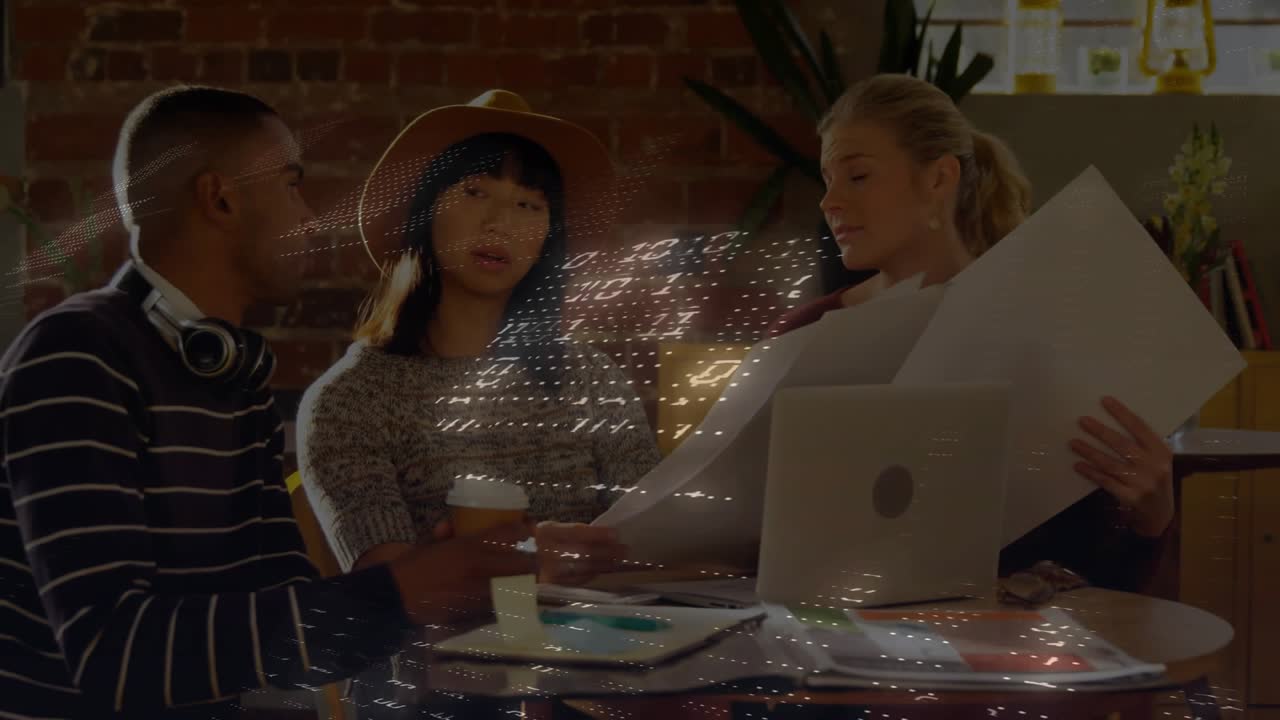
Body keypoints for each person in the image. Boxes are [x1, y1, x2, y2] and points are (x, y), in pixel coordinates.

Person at [0, 86, 535, 720]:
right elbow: (116, 656)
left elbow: (287, 625)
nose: (308, 217)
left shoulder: (229, 372)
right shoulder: (77, 354)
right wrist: (406, 591)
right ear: (220, 197)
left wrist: (427, 574)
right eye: (290, 185)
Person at [770, 74, 1174, 593]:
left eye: (858, 176)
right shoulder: (803, 336)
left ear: (938, 180)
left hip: (1014, 649)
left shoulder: (1050, 335)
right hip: (836, 639)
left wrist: (1152, 519)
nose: (830, 201)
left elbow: (1107, 578)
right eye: (827, 180)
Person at [296, 90, 661, 588]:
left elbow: (655, 550)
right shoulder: (350, 400)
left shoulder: (593, 380)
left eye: (529, 204)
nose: (500, 223)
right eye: (474, 192)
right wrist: (531, 561)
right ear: (425, 210)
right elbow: (385, 595)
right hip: (438, 662)